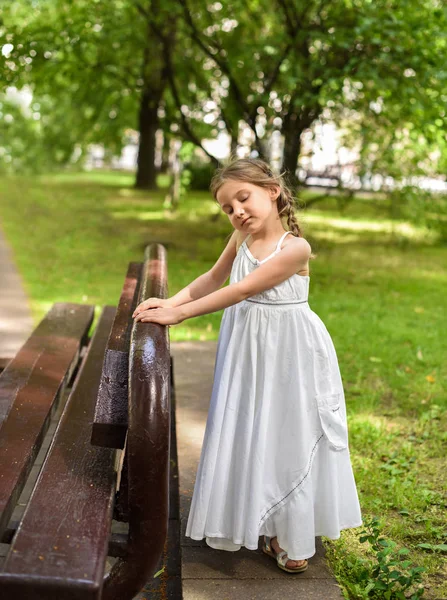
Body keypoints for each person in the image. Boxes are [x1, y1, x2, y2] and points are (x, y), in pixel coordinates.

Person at [132, 157, 362, 573]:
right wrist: (171, 302)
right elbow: (214, 278)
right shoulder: (239, 237)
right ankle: (255, 518)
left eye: (244, 198)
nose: (237, 211)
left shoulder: (295, 248)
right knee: (252, 427)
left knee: (287, 431)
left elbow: (242, 289)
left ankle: (289, 532)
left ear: (272, 191)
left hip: (288, 352)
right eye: (228, 207)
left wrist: (181, 317)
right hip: (248, 348)